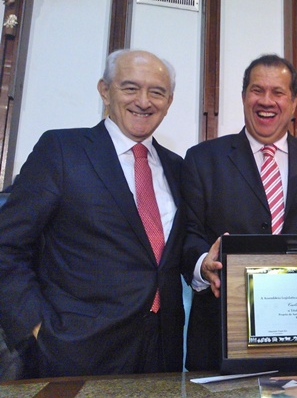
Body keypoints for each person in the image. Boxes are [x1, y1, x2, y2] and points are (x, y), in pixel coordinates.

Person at [0, 50, 185, 377]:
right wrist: (35, 329)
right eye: (130, 88)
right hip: (72, 354)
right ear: (105, 90)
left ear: (169, 101)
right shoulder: (61, 151)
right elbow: (7, 244)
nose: (143, 101)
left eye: (157, 92)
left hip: (161, 355)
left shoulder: (178, 168)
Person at [182, 54, 297, 370]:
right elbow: (188, 234)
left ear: (294, 102)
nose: (266, 101)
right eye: (257, 90)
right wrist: (203, 265)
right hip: (221, 331)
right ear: (244, 96)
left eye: (278, 92)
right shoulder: (203, 159)